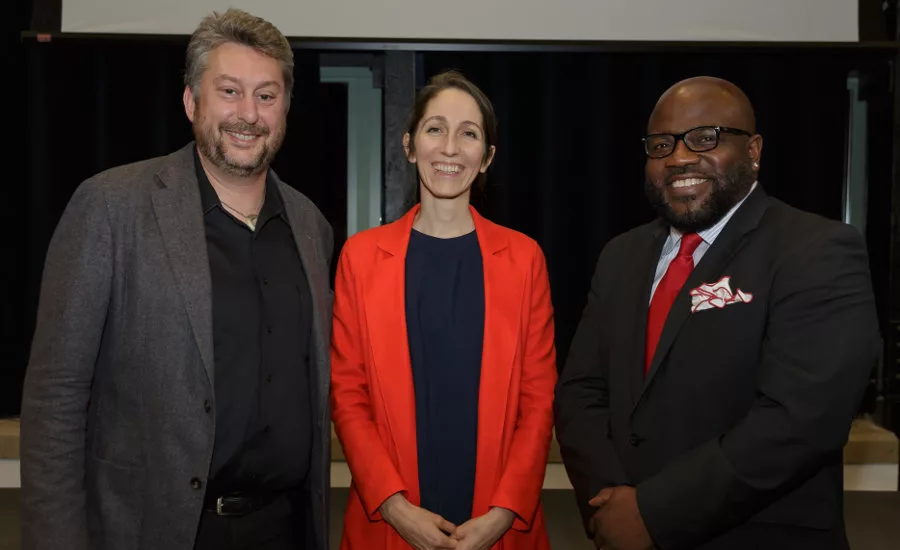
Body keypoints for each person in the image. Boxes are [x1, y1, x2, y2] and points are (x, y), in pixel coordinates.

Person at [20, 9, 333, 550]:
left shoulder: (311, 226)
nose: (248, 114)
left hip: (286, 528)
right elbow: (56, 398)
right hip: (154, 530)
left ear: (285, 108)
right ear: (192, 102)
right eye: (229, 91)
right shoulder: (112, 207)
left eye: (266, 95)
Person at [554, 76, 880, 550]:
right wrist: (610, 503)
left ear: (754, 151)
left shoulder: (816, 249)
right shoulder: (620, 256)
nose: (680, 158)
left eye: (705, 138)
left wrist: (654, 513)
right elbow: (580, 392)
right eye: (662, 144)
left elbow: (802, 421)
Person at [331, 71, 557, 550]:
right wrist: (394, 506)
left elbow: (537, 402)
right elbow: (349, 395)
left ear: (487, 157)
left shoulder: (524, 259)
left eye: (468, 134)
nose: (450, 148)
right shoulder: (360, 257)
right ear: (410, 145)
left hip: (498, 522)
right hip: (390, 524)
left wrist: (503, 513)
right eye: (435, 129)